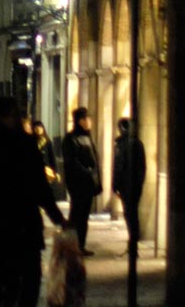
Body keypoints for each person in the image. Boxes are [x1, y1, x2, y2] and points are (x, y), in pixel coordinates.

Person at [0, 96, 66, 307]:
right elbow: (40, 188)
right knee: (27, 284)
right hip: (23, 226)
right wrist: (58, 219)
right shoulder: (25, 145)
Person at [62, 107, 102, 257]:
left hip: (88, 184)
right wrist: (87, 172)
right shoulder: (71, 138)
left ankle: (80, 245)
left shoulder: (88, 137)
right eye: (86, 119)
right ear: (80, 121)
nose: (89, 121)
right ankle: (73, 245)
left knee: (84, 216)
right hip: (78, 184)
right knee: (77, 215)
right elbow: (72, 162)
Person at [112, 117, 146, 249]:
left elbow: (118, 167)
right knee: (131, 213)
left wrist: (115, 185)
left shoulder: (123, 145)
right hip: (131, 184)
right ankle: (133, 241)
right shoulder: (136, 143)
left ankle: (133, 241)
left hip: (127, 184)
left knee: (129, 213)